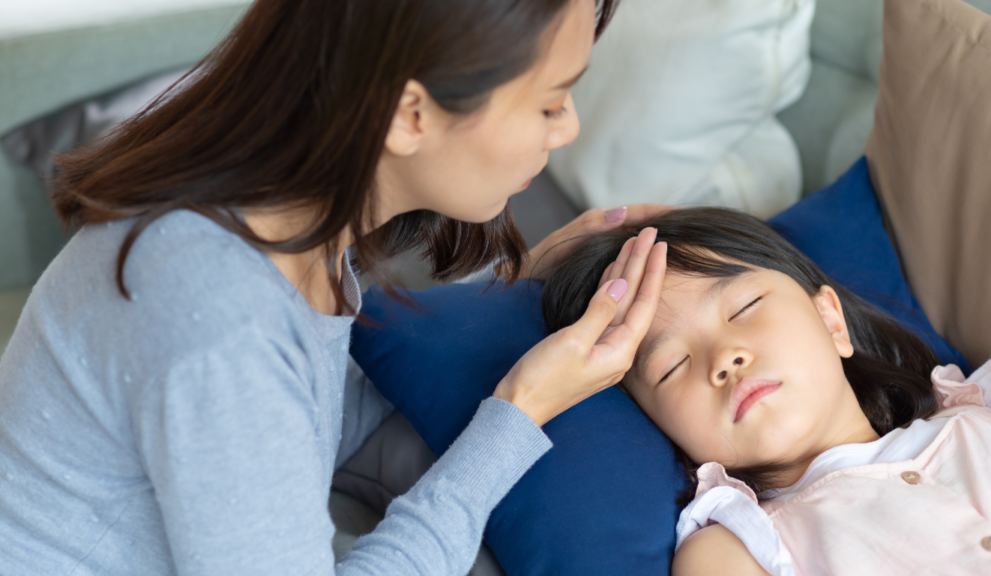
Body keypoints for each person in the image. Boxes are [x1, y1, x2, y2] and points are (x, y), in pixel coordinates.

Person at [0, 0, 672, 574]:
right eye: (551, 101)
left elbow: (312, 419)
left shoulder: (280, 216)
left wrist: (516, 309)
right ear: (410, 114)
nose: (569, 127)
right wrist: (519, 411)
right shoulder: (220, 313)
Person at [542, 207, 991, 576]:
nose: (725, 358)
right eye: (673, 367)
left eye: (745, 306)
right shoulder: (735, 549)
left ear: (831, 320)